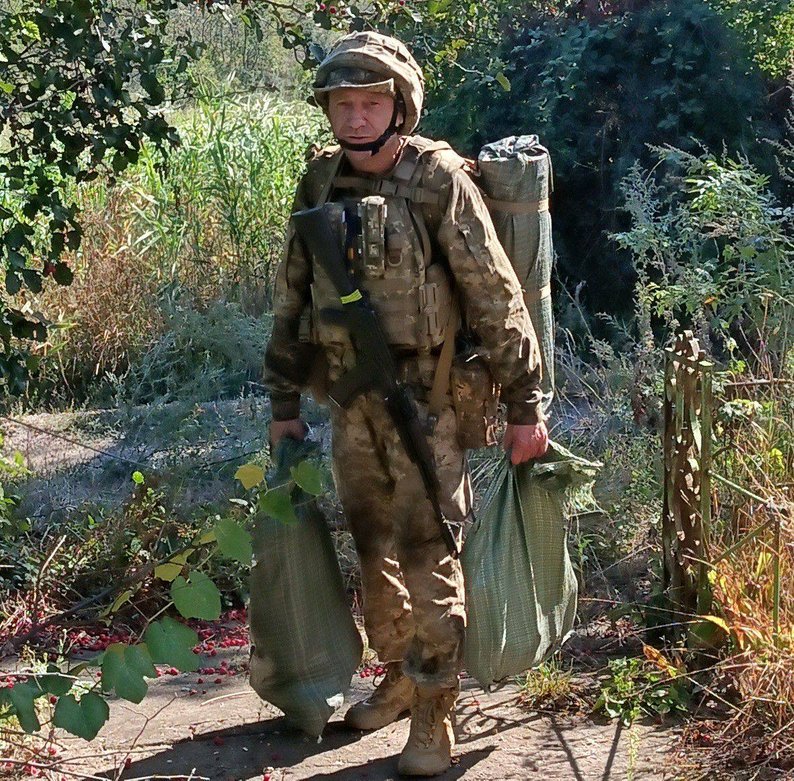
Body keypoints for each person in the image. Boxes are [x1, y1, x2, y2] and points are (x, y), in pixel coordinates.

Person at [264, 31, 548, 777]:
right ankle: (397, 676)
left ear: (400, 107)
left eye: (370, 103)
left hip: (428, 402)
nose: (355, 118)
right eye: (342, 104)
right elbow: (292, 295)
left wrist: (526, 406)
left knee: (428, 554)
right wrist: (284, 398)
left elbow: (495, 295)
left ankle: (433, 711)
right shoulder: (321, 180)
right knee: (374, 550)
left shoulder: (437, 181)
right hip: (349, 399)